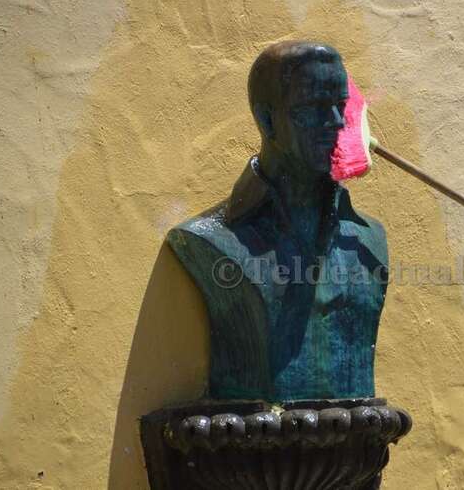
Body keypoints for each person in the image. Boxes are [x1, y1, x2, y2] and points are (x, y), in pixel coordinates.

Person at [167, 41, 389, 402]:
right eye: (315, 107)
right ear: (267, 120)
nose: (335, 122)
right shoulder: (210, 241)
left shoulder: (369, 242)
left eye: (340, 105)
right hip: (253, 454)